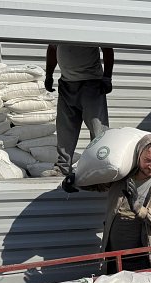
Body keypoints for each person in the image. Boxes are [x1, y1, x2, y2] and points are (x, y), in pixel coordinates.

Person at [85, 134, 151, 273]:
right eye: (147, 160)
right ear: (139, 154)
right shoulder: (122, 173)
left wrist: (139, 209)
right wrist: (76, 183)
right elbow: (98, 184)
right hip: (114, 257)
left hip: (146, 260)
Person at [43, 44, 114, 193]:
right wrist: (48, 75)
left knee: (98, 131)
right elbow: (52, 49)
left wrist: (107, 77)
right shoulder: (56, 25)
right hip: (66, 84)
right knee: (65, 128)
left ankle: (100, 169)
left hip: (92, 83)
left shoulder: (88, 23)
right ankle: (62, 168)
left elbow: (107, 48)